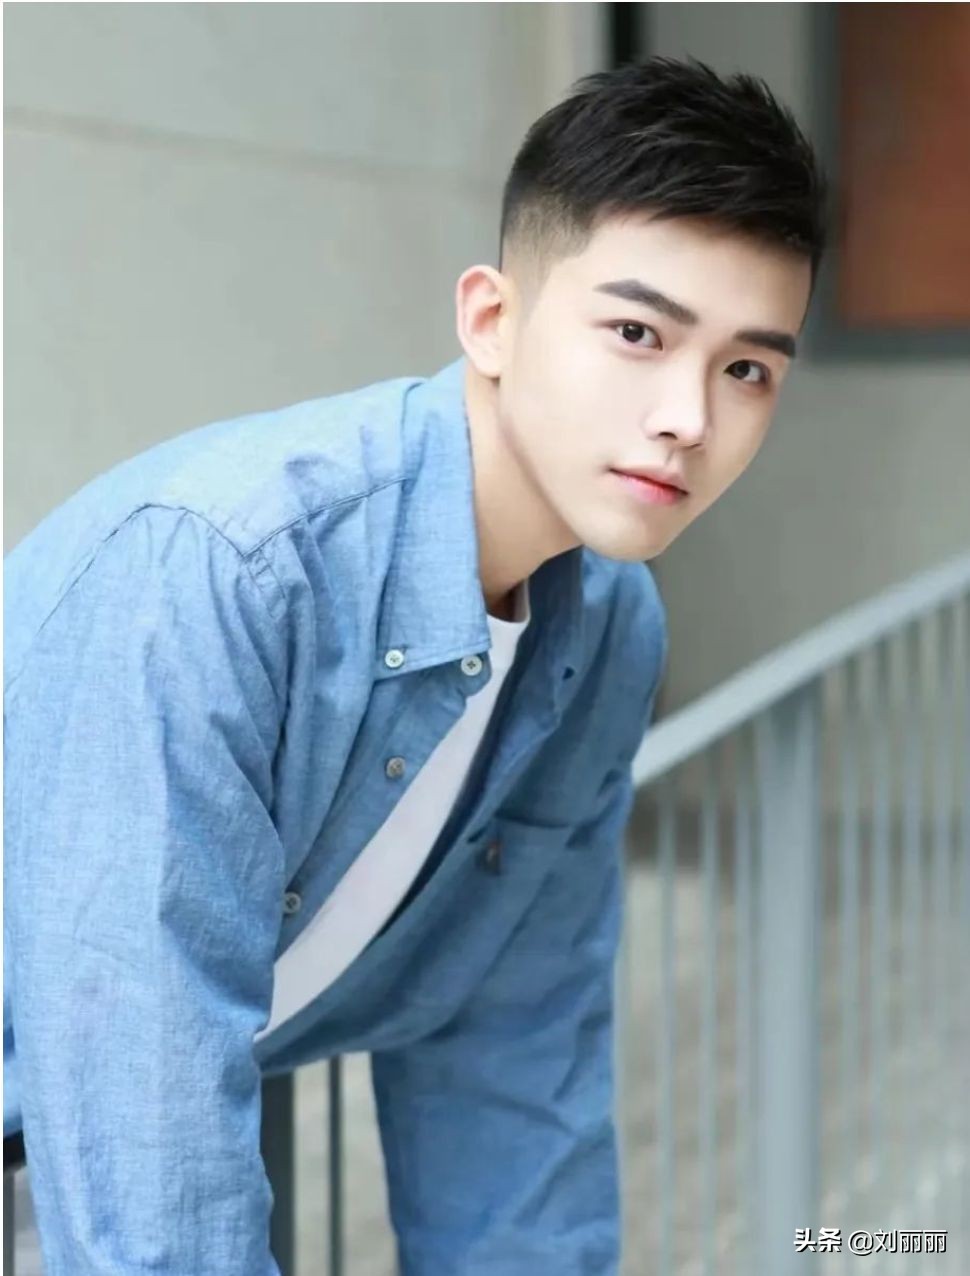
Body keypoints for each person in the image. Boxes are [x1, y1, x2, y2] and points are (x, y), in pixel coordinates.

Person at [3, 55, 826, 1276]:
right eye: (636, 334)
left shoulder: (607, 625)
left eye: (745, 368)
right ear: (490, 320)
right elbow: (145, 1148)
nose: (688, 418)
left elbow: (516, 1064)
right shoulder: (226, 573)